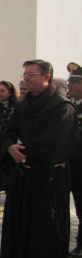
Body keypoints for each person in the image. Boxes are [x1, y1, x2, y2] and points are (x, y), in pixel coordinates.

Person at [0, 59, 78, 258]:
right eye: (24, 74)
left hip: (47, 180)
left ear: (46, 77)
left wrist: (22, 152)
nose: (26, 78)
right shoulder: (23, 105)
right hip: (22, 178)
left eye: (31, 75)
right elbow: (9, 131)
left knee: (43, 233)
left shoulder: (62, 107)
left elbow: (54, 144)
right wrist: (10, 147)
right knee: (19, 228)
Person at [66, 62, 82, 257]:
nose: (70, 84)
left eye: (75, 82)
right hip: (73, 166)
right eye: (69, 80)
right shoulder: (69, 105)